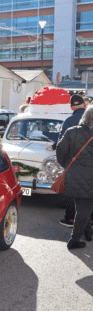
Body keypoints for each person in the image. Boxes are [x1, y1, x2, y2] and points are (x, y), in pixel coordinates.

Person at [56, 106, 93, 249]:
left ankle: (88, 232)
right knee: (85, 208)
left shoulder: (72, 132)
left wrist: (66, 165)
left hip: (73, 175)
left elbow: (60, 149)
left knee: (82, 207)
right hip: (91, 178)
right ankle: (74, 240)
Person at [56, 95, 88, 227]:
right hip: (90, 164)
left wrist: (65, 163)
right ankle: (89, 220)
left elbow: (61, 145)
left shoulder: (68, 121)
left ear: (71, 107)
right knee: (89, 191)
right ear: (84, 105)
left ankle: (70, 218)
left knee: (70, 191)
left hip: (72, 162)